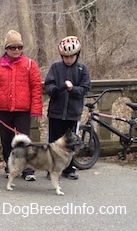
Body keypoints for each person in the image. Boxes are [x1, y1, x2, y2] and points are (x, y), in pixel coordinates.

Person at [0, 30, 43, 181]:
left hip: (23, 110)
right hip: (3, 110)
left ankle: (28, 169)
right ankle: (10, 166)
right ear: (6, 49)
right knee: (6, 140)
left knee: (24, 140)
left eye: (19, 47)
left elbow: (36, 87)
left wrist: (36, 108)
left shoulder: (30, 65)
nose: (16, 50)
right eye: (12, 47)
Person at [44, 36, 91, 180]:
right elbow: (48, 85)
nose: (68, 60)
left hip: (72, 113)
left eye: (71, 57)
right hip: (56, 113)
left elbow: (85, 88)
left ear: (77, 56)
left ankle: (69, 168)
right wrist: (57, 89)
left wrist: (73, 89)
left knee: (71, 142)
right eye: (65, 57)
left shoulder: (82, 69)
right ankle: (51, 168)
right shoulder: (55, 68)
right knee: (54, 142)